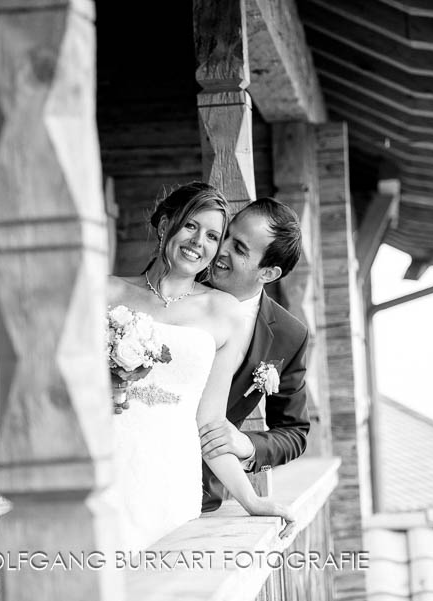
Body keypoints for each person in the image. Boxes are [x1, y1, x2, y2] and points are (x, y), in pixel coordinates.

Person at [107, 182, 295, 549]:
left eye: (213, 235)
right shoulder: (106, 292)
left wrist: (251, 500)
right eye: (190, 226)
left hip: (169, 472)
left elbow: (209, 422)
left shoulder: (224, 313)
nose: (199, 242)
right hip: (104, 456)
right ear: (165, 226)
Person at [200, 197, 310, 512]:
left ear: (269, 273)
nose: (221, 250)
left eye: (240, 249)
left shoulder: (290, 336)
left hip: (201, 491)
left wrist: (246, 445)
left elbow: (294, 431)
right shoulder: (176, 287)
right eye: (227, 235)